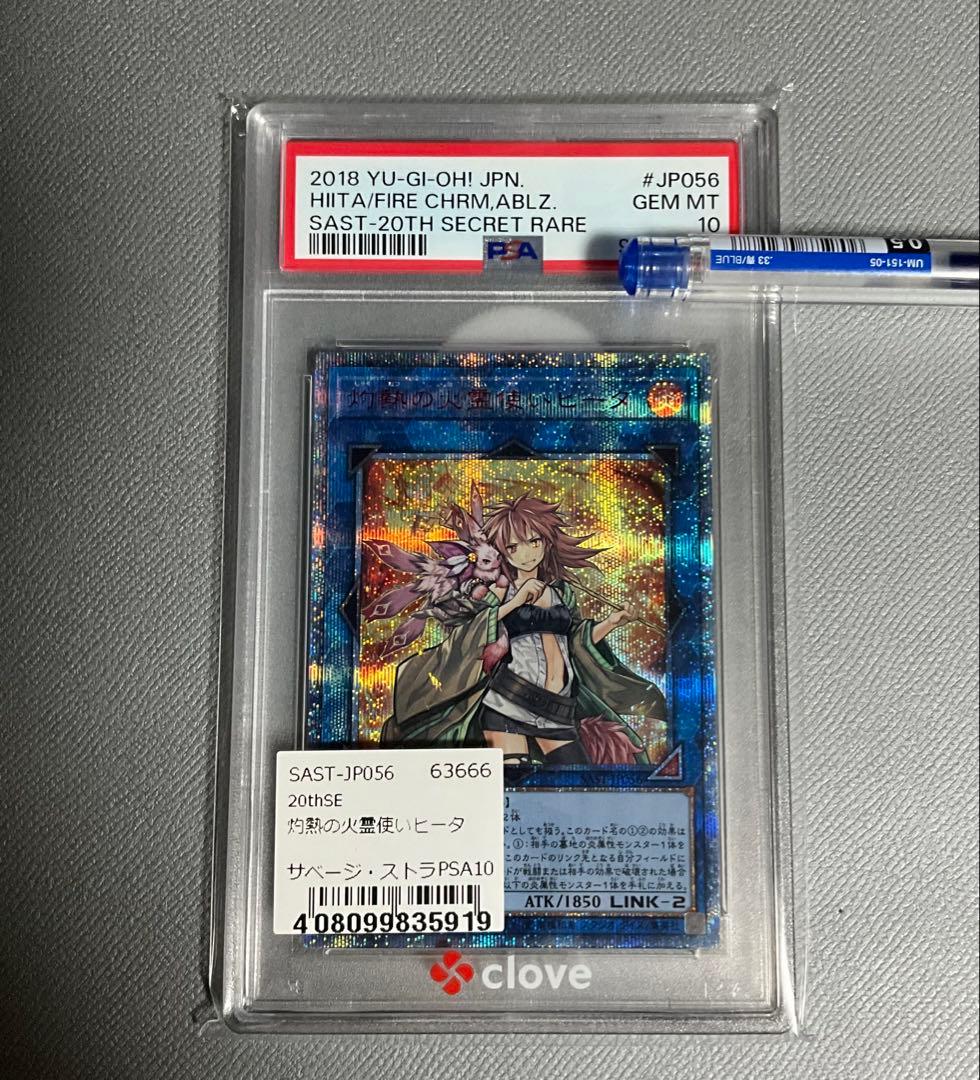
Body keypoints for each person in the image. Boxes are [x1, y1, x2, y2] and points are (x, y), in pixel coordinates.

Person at [380, 492, 665, 767]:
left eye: (533, 541)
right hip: (509, 702)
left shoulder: (561, 592)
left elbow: (575, 643)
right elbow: (473, 632)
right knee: (509, 784)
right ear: (501, 552)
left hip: (558, 708)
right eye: (513, 547)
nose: (526, 554)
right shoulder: (497, 592)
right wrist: (515, 602)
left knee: (574, 778)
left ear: (546, 541)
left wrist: (613, 622)